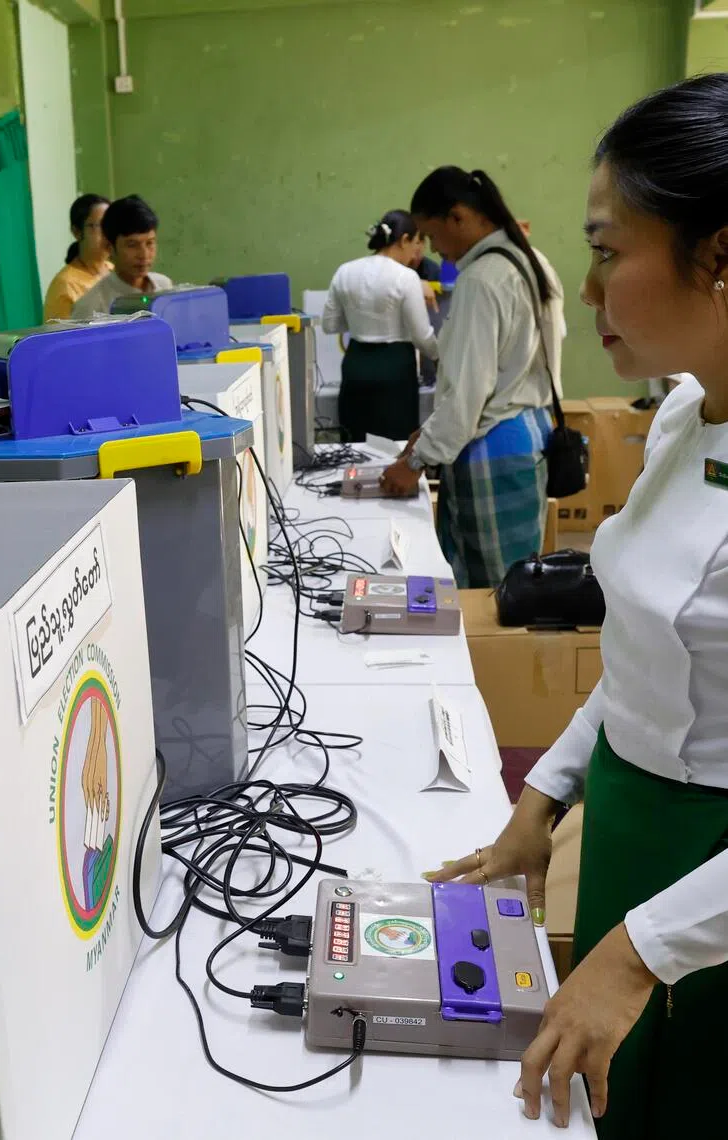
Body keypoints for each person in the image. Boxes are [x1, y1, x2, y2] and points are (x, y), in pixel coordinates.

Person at [428, 74, 728, 1135]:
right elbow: (649, 655)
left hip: (711, 890)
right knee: (612, 1105)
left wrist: (646, 949)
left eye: (607, 252)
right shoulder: (687, 414)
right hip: (635, 839)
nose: (586, 296)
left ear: (723, 258)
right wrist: (542, 802)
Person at [380, 168, 565, 588]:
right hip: (528, 433)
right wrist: (427, 436)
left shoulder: (480, 281)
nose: (435, 250)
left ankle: (492, 658)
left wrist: (414, 462)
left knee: (486, 591)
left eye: (433, 234)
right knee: (516, 583)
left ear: (459, 217)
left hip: (491, 446)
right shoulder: (535, 262)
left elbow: (467, 395)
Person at [321, 210, 438, 443]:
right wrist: (440, 356)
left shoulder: (345, 271)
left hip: (355, 366)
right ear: (404, 240)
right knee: (395, 448)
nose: (416, 251)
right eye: (415, 243)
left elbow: (330, 324)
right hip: (395, 372)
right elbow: (422, 336)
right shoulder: (406, 277)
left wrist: (357, 321)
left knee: (353, 448)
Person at [71, 195, 173, 319]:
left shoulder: (165, 287)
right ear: (109, 247)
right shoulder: (92, 307)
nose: (144, 254)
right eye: (132, 245)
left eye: (150, 243)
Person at [42, 194, 111, 321]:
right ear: (77, 232)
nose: (109, 233)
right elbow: (60, 339)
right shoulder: (65, 285)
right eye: (100, 226)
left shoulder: (115, 271)